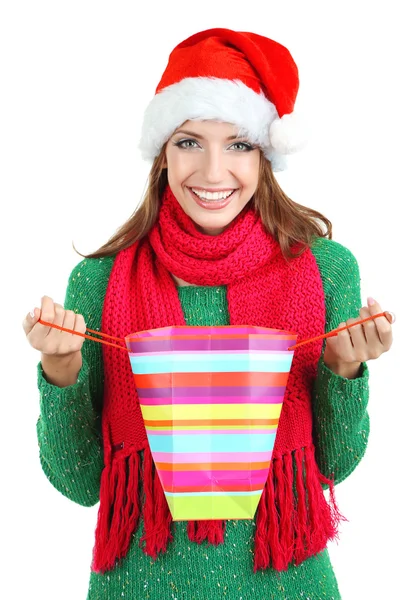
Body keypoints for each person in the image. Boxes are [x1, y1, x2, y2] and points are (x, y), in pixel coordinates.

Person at [23, 27, 394, 599]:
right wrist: (61, 373)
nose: (214, 172)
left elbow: (335, 467)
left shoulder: (327, 271)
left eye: (240, 144)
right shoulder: (98, 284)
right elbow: (77, 485)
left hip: (291, 587)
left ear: (266, 154)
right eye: (190, 142)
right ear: (161, 152)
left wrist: (344, 372)